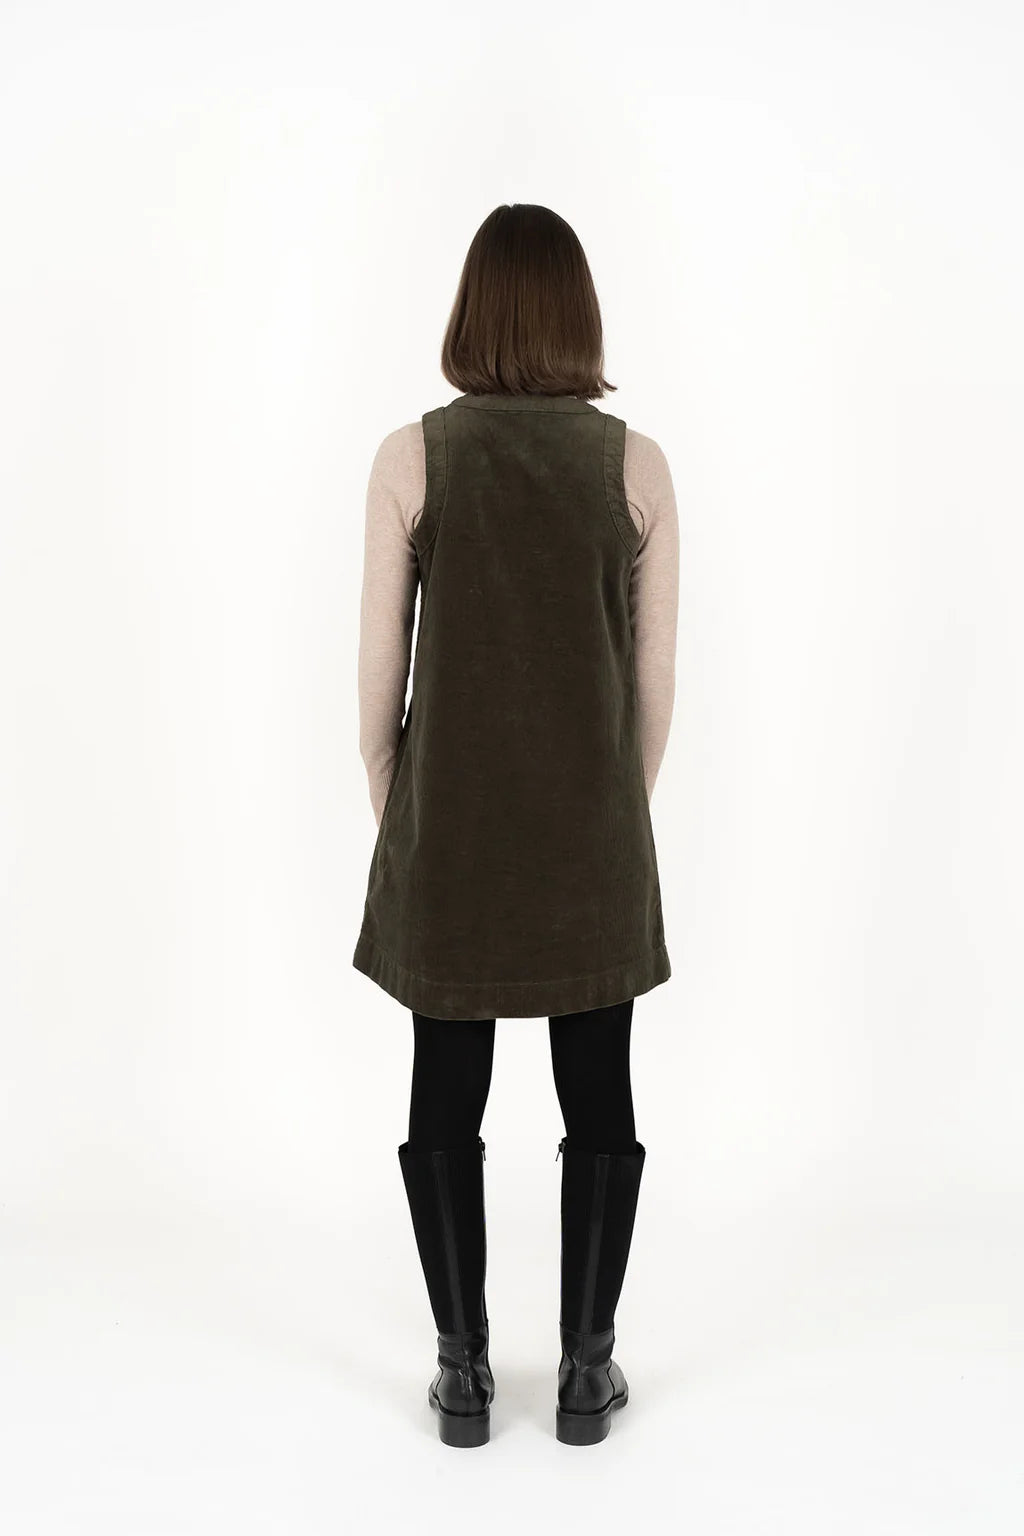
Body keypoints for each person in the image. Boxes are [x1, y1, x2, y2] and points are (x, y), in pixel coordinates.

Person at [352, 204, 679, 1447]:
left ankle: (462, 1376)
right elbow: (653, 689)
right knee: (599, 1096)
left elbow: (376, 687)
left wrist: (412, 821)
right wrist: (606, 818)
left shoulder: (411, 458)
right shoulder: (636, 467)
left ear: (472, 312)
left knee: (446, 1091)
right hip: (593, 836)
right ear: (577, 316)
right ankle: (587, 1377)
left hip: (451, 834)